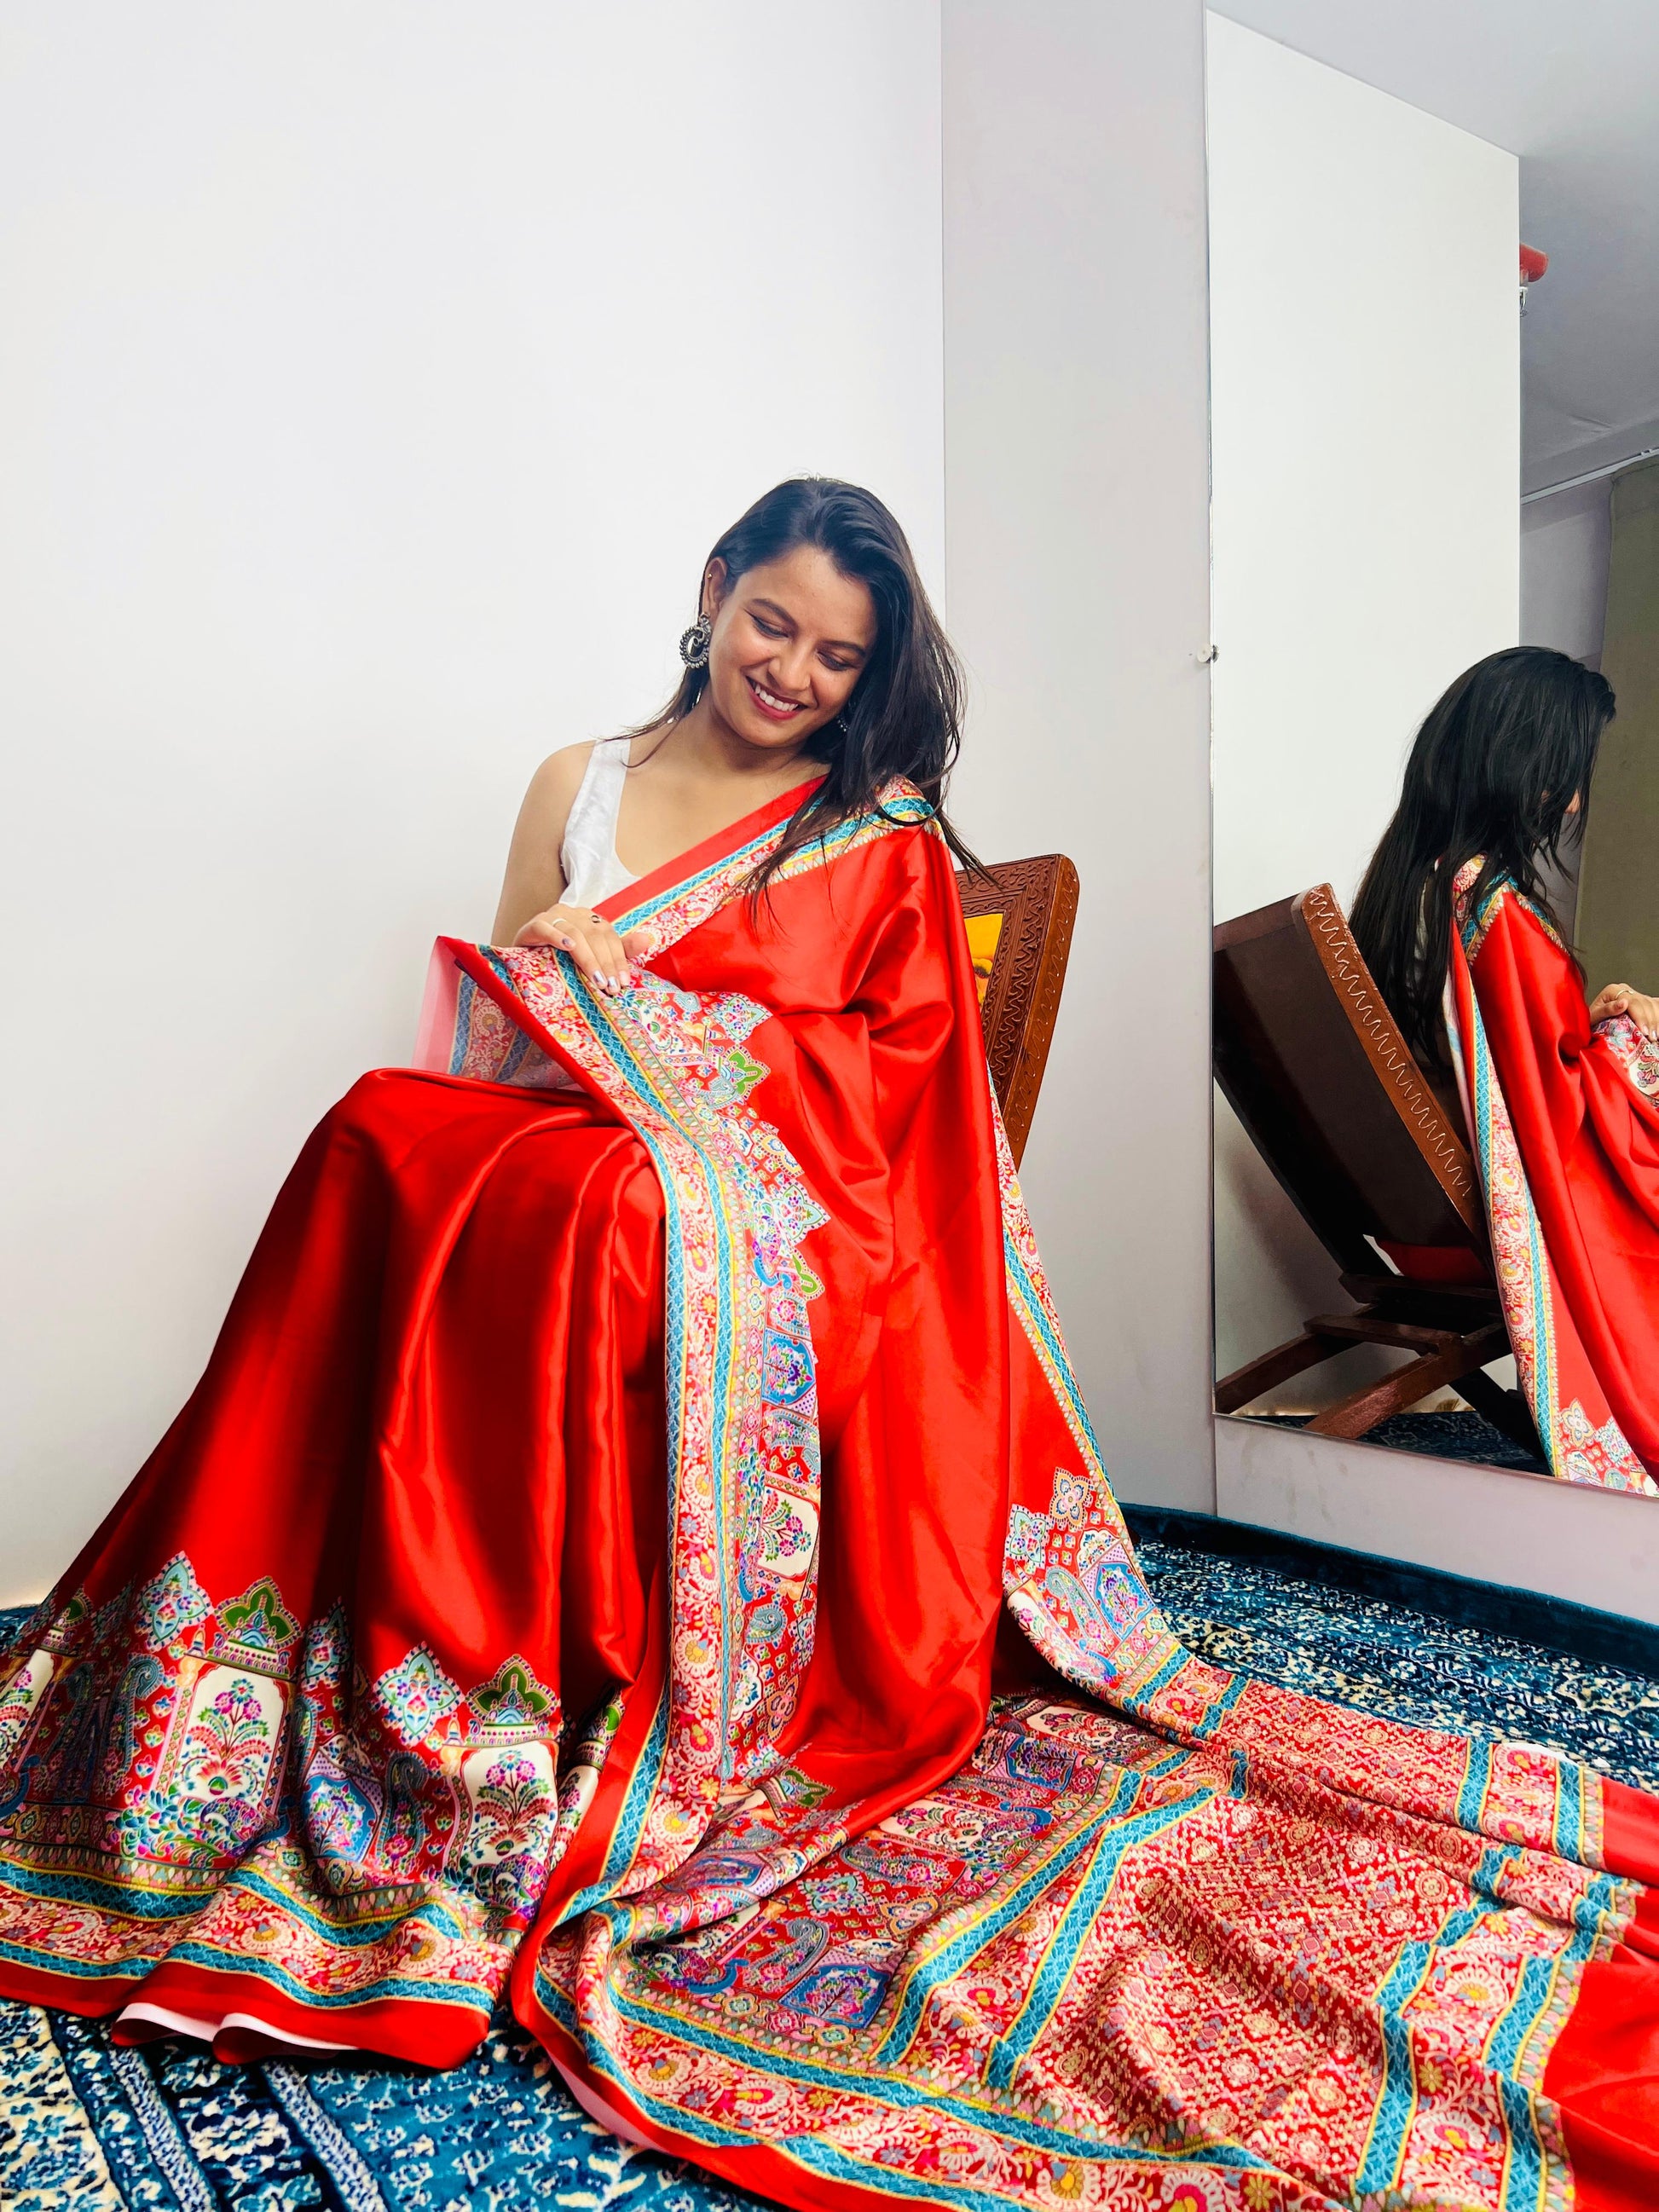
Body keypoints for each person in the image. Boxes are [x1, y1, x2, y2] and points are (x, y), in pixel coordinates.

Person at [3, 494, 1659, 2209]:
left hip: (767, 1228)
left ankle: (505, 1683)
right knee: (374, 1129)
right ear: (713, 590)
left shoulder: (873, 834)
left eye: (839, 656)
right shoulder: (575, 780)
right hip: (567, 1156)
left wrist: (672, 1040)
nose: (792, 672)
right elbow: (498, 1033)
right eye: (772, 625)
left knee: (606, 1218)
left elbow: (895, 1100)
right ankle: (287, 1660)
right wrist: (559, 968)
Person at [1353, 646, 1659, 1494]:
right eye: (1564, 777)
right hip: (1487, 1218)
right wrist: (1630, 1039)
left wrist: (1589, 1025)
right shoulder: (1492, 904)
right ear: (1516, 765)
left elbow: (1523, 1065)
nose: (1572, 803)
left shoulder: (1416, 886)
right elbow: (1558, 1110)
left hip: (1408, 1211)